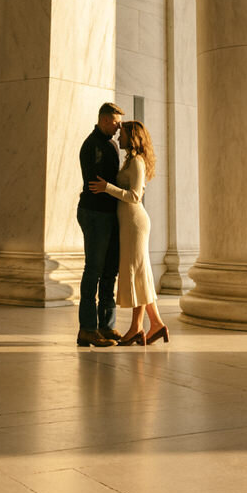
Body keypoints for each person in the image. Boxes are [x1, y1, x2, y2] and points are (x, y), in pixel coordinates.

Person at [89, 119, 169, 346]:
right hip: (129, 223)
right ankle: (156, 324)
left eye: (121, 133)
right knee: (140, 272)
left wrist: (107, 187)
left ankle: (136, 328)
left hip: (135, 223)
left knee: (136, 273)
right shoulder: (131, 161)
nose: (118, 136)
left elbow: (134, 196)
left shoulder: (137, 163)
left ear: (131, 136)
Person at [76, 102, 124, 347]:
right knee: (93, 269)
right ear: (105, 120)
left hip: (108, 213)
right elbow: (95, 182)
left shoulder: (112, 144)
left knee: (109, 271)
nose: (118, 127)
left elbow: (108, 182)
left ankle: (106, 326)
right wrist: (114, 189)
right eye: (116, 122)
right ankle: (87, 328)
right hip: (94, 213)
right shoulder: (91, 144)